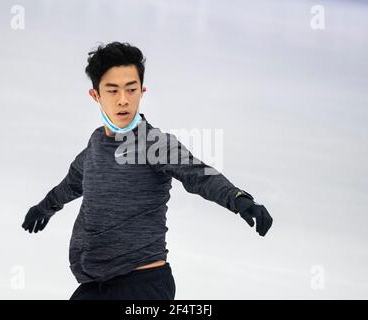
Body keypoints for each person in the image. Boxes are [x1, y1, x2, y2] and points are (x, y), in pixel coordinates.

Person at [21, 41, 273, 300]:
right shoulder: (95, 146)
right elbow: (71, 184)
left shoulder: (153, 143)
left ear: (142, 91)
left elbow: (198, 174)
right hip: (95, 287)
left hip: (143, 286)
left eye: (131, 90)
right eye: (112, 90)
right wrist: (44, 208)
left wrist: (239, 198)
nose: (123, 100)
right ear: (95, 95)